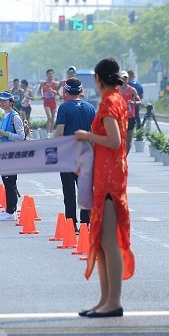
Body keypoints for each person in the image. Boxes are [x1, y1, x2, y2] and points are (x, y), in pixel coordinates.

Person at [75, 58, 135, 318]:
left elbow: (114, 140)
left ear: (98, 79)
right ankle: (105, 300)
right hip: (105, 176)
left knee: (109, 242)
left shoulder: (110, 102)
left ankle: (115, 301)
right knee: (100, 242)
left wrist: (87, 136)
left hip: (111, 180)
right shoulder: (116, 99)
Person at [55, 77, 96, 233]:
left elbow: (59, 132)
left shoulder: (64, 108)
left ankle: (71, 223)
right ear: (81, 90)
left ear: (65, 91)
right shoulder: (90, 108)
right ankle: (86, 223)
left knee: (69, 191)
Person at [0, 91, 25, 221]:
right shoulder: (6, 116)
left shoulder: (14, 117)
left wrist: (5, 134)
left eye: (4, 101)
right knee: (7, 181)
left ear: (11, 102)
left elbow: (21, 137)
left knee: (10, 182)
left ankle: (11, 211)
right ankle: (12, 207)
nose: (1, 103)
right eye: (0, 100)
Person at [120, 70, 141, 154]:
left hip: (130, 117)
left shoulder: (132, 90)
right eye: (122, 79)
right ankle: (120, 157)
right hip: (119, 118)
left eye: (126, 79)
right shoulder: (116, 91)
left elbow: (140, 102)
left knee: (128, 141)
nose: (124, 81)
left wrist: (134, 103)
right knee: (120, 140)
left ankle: (124, 158)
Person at [38, 69, 59, 138]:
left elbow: (58, 92)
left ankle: (51, 132)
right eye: (49, 74)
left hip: (53, 102)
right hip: (46, 103)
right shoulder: (43, 83)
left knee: (52, 118)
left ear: (53, 75)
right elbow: (40, 89)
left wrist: (52, 90)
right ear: (47, 75)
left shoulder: (55, 84)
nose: (50, 75)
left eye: (51, 74)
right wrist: (42, 95)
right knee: (49, 117)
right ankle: (48, 134)